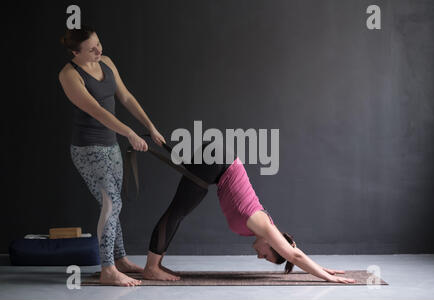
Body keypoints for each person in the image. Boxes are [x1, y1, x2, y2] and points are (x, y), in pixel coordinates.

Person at [142, 142, 356, 284]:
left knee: (178, 212)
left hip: (219, 160)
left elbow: (291, 246)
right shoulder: (263, 225)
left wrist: (322, 268)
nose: (259, 256)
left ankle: (155, 264)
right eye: (266, 255)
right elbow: (294, 254)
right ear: (271, 244)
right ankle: (152, 268)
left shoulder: (268, 229)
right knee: (176, 213)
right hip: (218, 160)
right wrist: (328, 278)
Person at [58, 26, 165, 286]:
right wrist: (129, 132)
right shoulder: (69, 75)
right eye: (91, 48)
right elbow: (96, 110)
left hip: (110, 145)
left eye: (99, 43)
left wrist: (149, 126)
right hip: (88, 149)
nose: (99, 49)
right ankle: (108, 269)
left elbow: (126, 97)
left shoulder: (106, 62)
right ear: (75, 52)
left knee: (113, 204)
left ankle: (120, 259)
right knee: (111, 203)